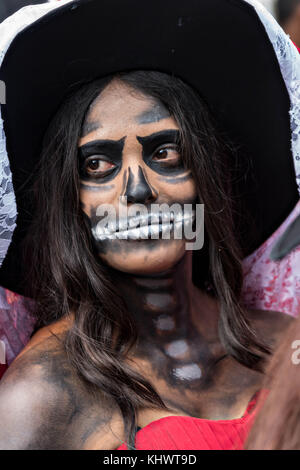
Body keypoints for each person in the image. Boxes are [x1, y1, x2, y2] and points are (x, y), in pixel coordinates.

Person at [0, 0, 298, 450]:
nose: (137, 189)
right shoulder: (41, 395)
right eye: (97, 164)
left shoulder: (284, 346)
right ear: (70, 204)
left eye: (164, 153)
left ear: (205, 176)